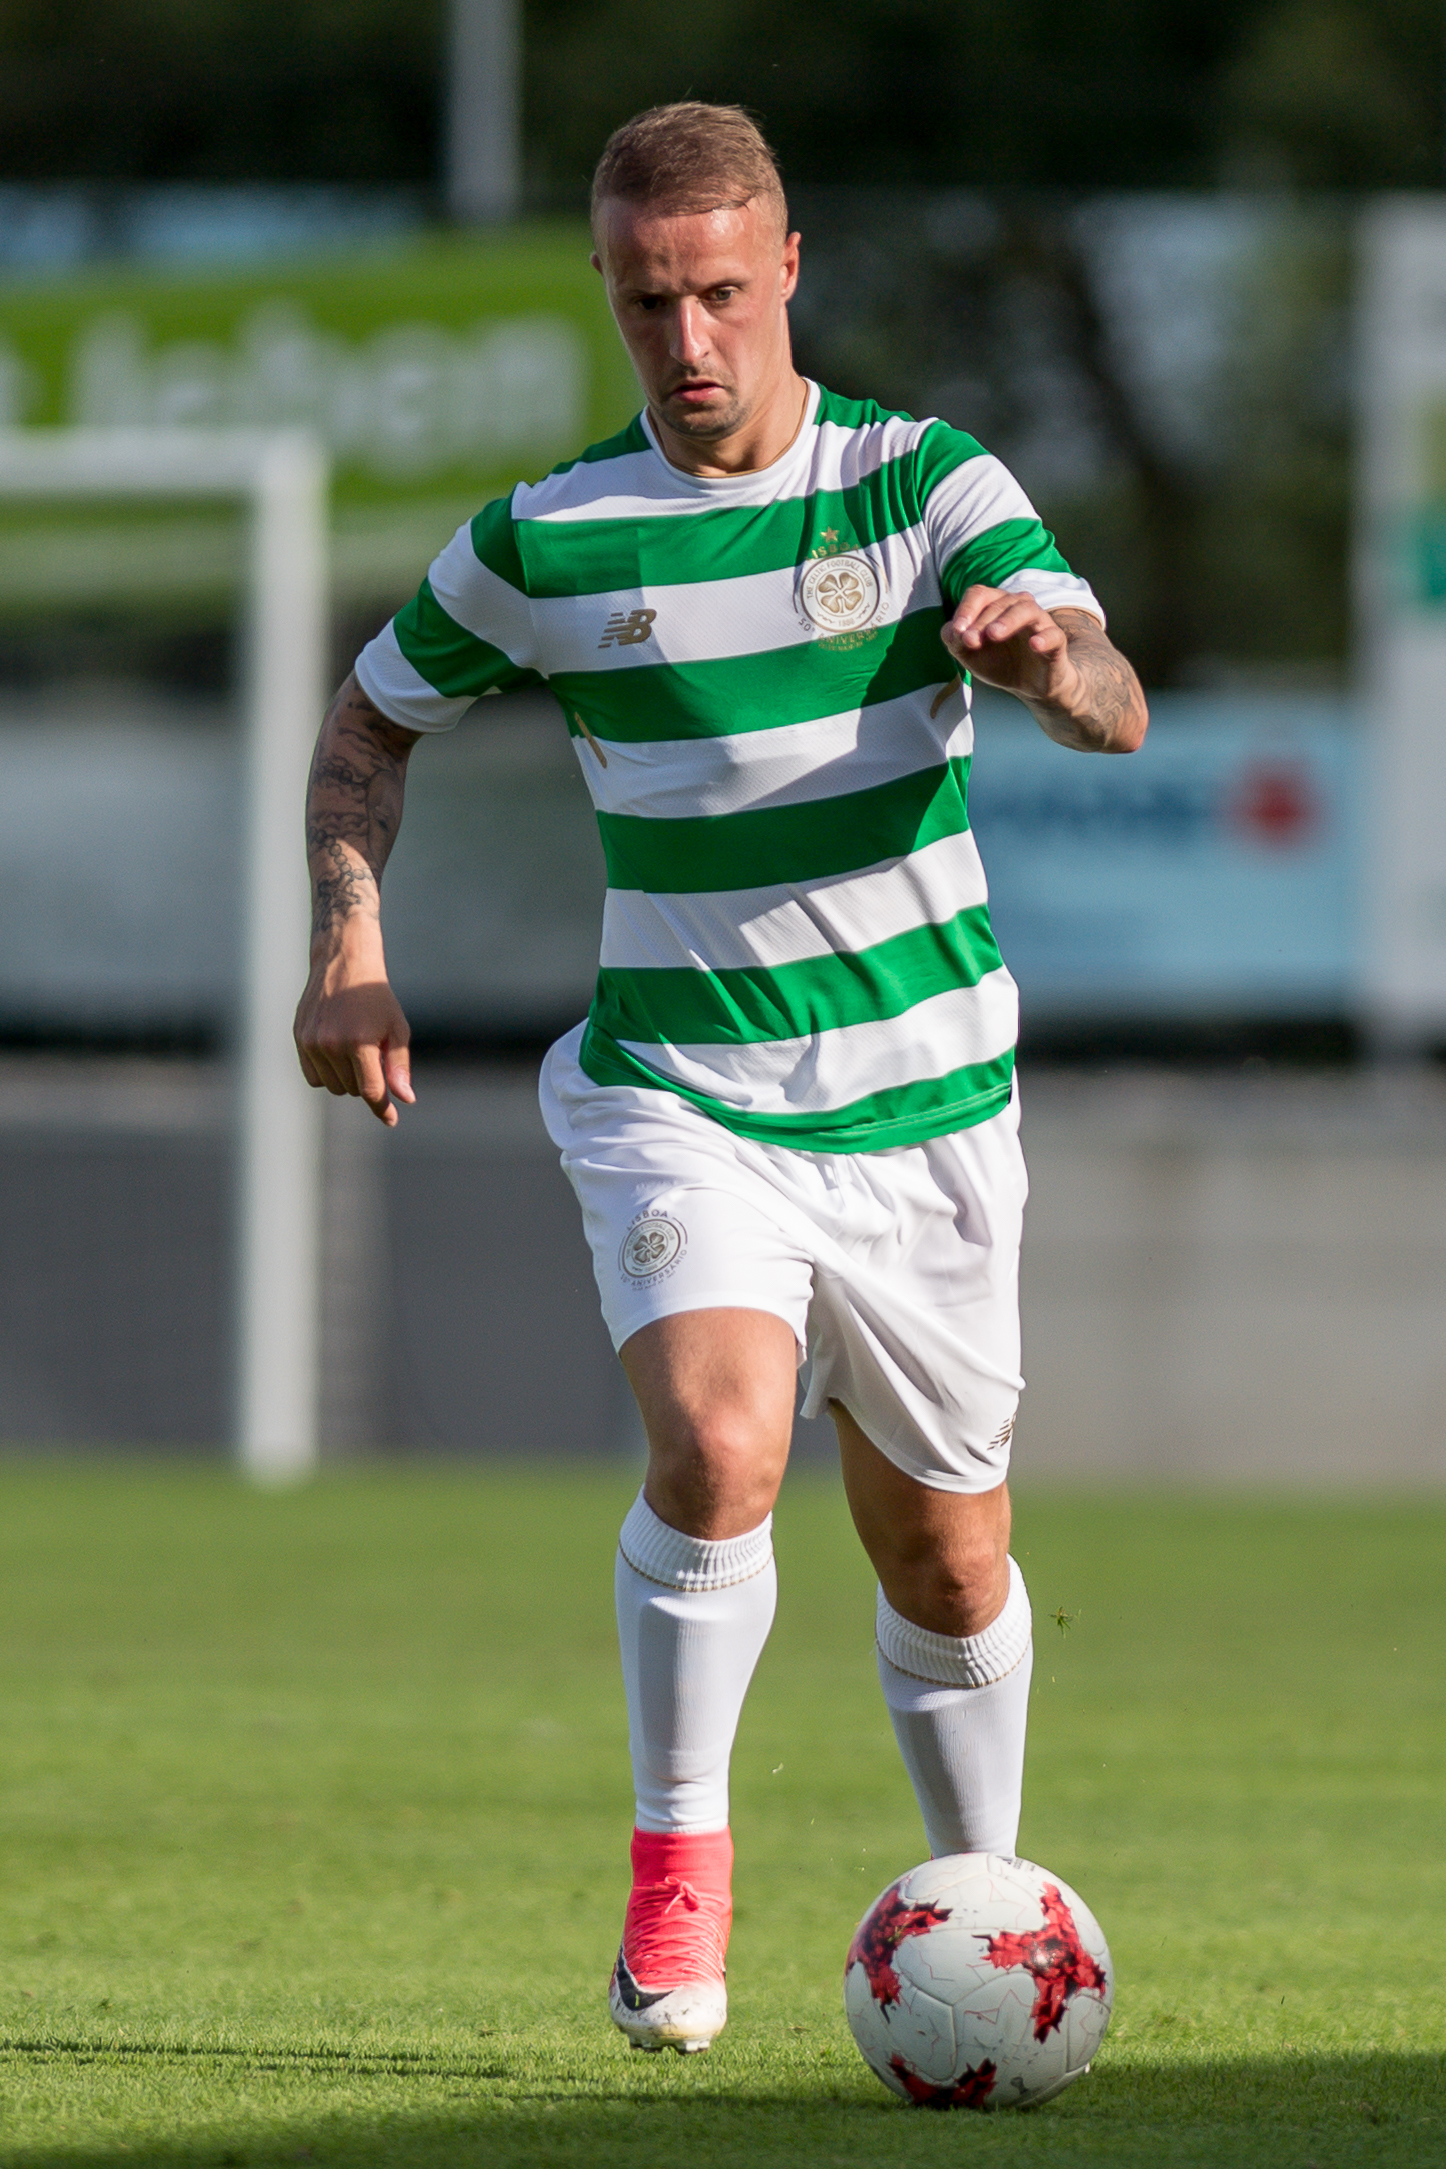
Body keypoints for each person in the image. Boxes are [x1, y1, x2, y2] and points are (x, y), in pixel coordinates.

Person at [294, 102, 1147, 2057]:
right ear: (612, 294)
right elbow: (371, 716)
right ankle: (678, 1878)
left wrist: (1036, 655)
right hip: (681, 1091)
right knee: (723, 1442)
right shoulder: (551, 536)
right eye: (643, 301)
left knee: (948, 1554)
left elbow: (1113, 693)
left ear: (787, 276)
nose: (687, 344)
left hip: (928, 1112)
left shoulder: (924, 483)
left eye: (718, 297)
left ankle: (985, 1911)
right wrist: (350, 939)